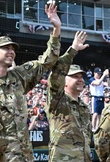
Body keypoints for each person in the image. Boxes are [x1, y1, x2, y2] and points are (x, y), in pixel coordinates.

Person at [0, 1, 61, 161]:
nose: (11, 52)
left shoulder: (19, 76)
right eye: (6, 48)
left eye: (13, 49)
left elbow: (46, 61)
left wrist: (56, 29)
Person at [46, 30, 92, 162]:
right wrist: (73, 50)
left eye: (81, 77)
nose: (80, 80)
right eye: (75, 76)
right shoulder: (58, 100)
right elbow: (55, 77)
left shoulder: (83, 107)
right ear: (64, 80)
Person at [90, 66, 110, 132]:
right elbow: (97, 83)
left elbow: (109, 85)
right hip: (95, 97)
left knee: (100, 114)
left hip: (101, 97)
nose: (99, 75)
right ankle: (93, 127)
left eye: (100, 74)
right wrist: (104, 75)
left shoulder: (102, 81)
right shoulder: (92, 80)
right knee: (95, 114)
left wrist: (107, 76)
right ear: (94, 73)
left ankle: (97, 127)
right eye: (97, 73)